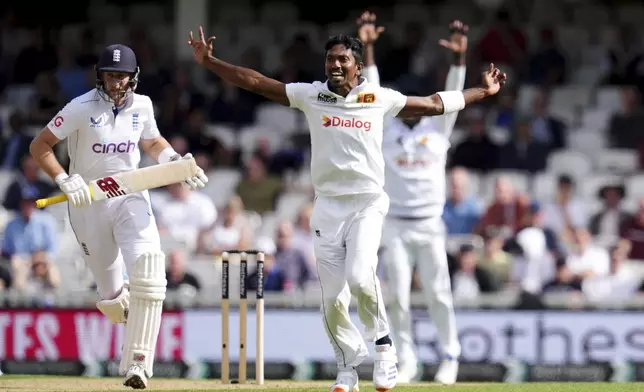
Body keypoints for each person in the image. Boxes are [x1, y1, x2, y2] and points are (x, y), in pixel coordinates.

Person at [188, 25, 505, 392]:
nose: (335, 64)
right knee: (333, 298)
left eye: (343, 59)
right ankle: (347, 368)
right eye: (330, 58)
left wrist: (483, 91)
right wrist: (210, 62)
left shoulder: (378, 98)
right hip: (327, 207)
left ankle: (384, 349)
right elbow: (257, 82)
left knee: (360, 276)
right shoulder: (311, 95)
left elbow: (434, 103)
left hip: (368, 203)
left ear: (357, 67)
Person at [29, 44, 208, 389]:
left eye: (121, 76)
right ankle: (125, 305)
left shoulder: (143, 105)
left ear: (133, 77)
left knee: (150, 272)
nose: (115, 83)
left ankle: (137, 365)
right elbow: (40, 146)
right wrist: (65, 178)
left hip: (129, 195)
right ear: (100, 77)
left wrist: (173, 161)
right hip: (88, 204)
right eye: (110, 76)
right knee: (113, 301)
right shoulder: (80, 107)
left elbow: (152, 143)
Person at [359, 13, 465, 385]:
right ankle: (407, 361)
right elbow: (371, 90)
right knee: (398, 299)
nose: (410, 108)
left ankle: (450, 357)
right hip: (396, 225)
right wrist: (368, 48)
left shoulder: (438, 127)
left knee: (439, 294)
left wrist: (458, 60)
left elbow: (454, 96)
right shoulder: (383, 129)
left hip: (430, 224)